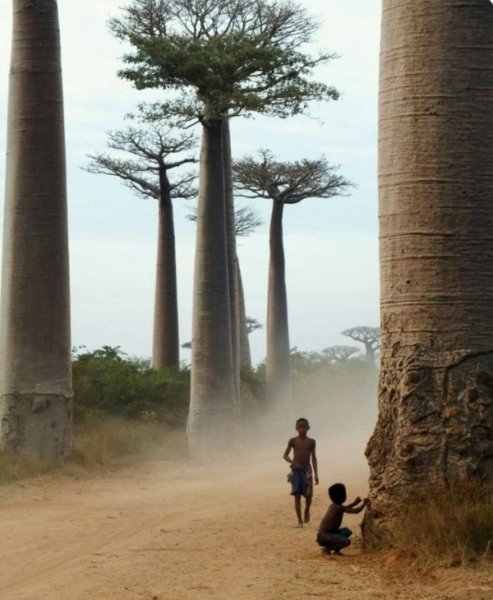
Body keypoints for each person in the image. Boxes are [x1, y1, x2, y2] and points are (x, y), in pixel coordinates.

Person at [283, 417, 319, 527]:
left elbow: (313, 458)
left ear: (308, 428)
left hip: (307, 470)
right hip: (296, 471)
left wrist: (316, 474)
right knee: (297, 495)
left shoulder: (311, 442)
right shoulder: (293, 441)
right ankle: (299, 521)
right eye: (300, 427)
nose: (302, 429)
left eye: (304, 427)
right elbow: (285, 455)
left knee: (308, 495)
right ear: (296, 428)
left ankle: (307, 509)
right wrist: (293, 462)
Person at [316, 482, 369, 554]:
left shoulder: (334, 506)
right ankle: (327, 549)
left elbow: (345, 508)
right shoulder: (338, 507)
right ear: (342, 496)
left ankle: (336, 551)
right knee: (347, 541)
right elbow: (355, 511)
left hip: (325, 534)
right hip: (325, 536)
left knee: (347, 531)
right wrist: (364, 504)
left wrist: (355, 503)